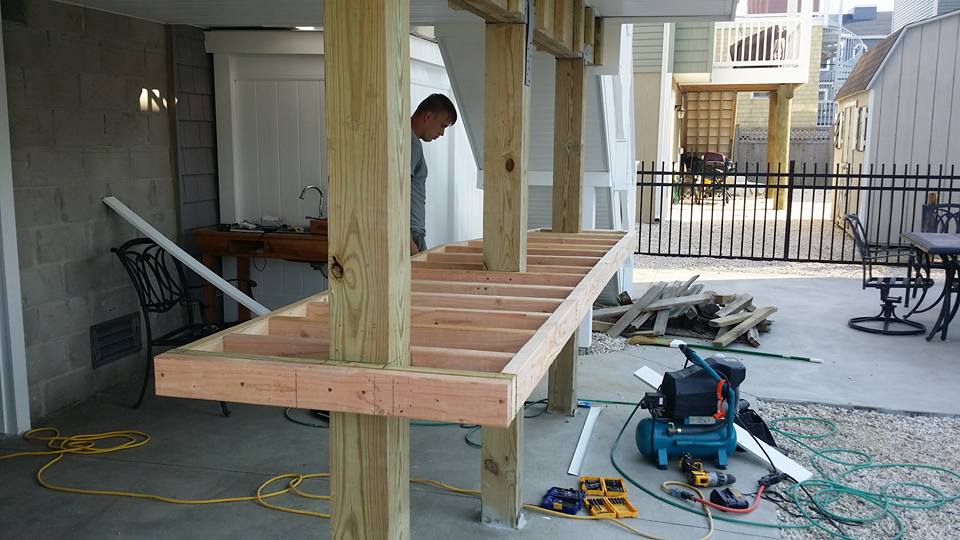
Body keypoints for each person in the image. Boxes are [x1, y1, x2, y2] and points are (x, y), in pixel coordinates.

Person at [410, 93, 458, 255]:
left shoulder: (410, 142)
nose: (442, 133)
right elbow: (395, 193)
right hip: (408, 234)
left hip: (412, 233)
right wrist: (408, 242)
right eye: (442, 126)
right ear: (428, 116)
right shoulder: (411, 144)